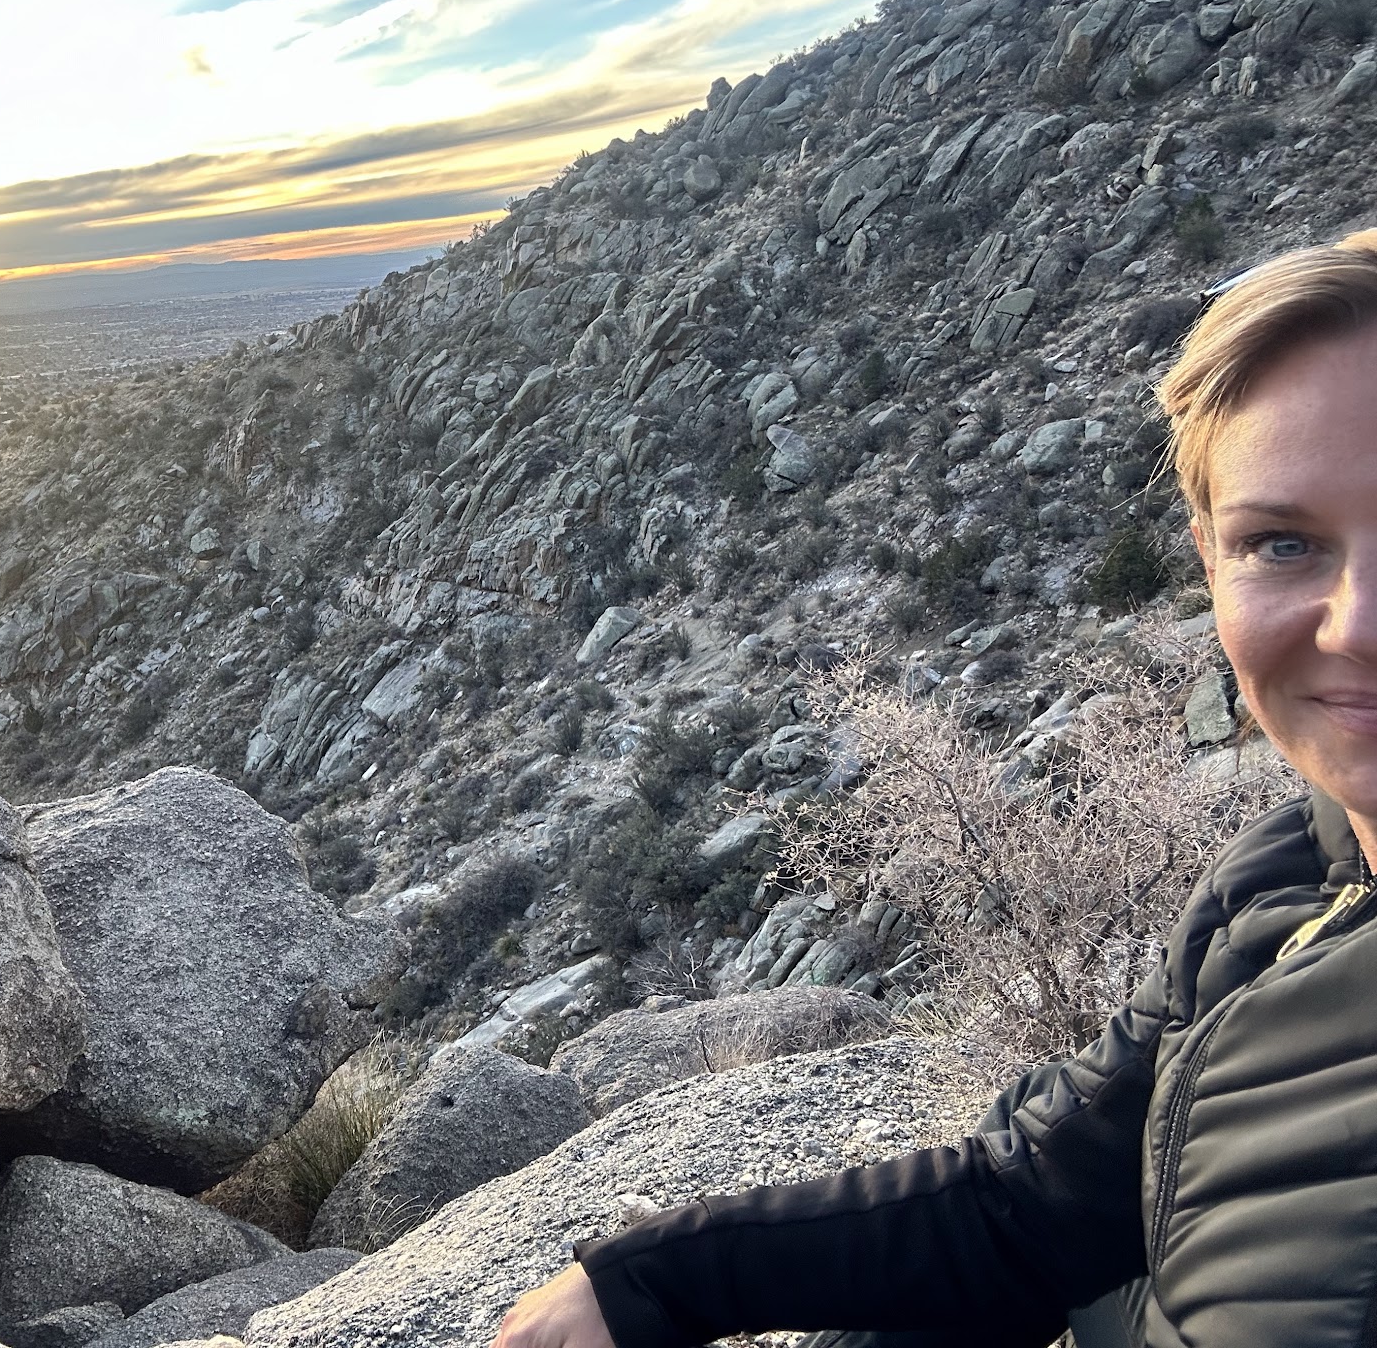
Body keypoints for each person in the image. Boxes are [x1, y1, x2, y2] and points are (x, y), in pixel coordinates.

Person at [494, 229, 1377, 1348]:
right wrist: (654, 1281)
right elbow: (1033, 1206)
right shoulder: (1289, 877)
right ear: (1209, 559)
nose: (1356, 626)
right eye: (1282, 544)